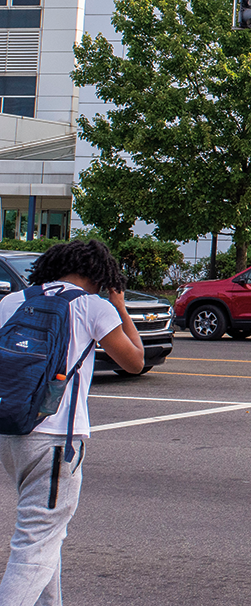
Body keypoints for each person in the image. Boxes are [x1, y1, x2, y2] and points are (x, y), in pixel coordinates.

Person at [0, 240, 144, 606]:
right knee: (34, 546)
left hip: (11, 431)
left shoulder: (12, 301)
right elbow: (134, 361)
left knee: (47, 535)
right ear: (100, 275)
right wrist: (120, 307)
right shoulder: (93, 307)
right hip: (57, 441)